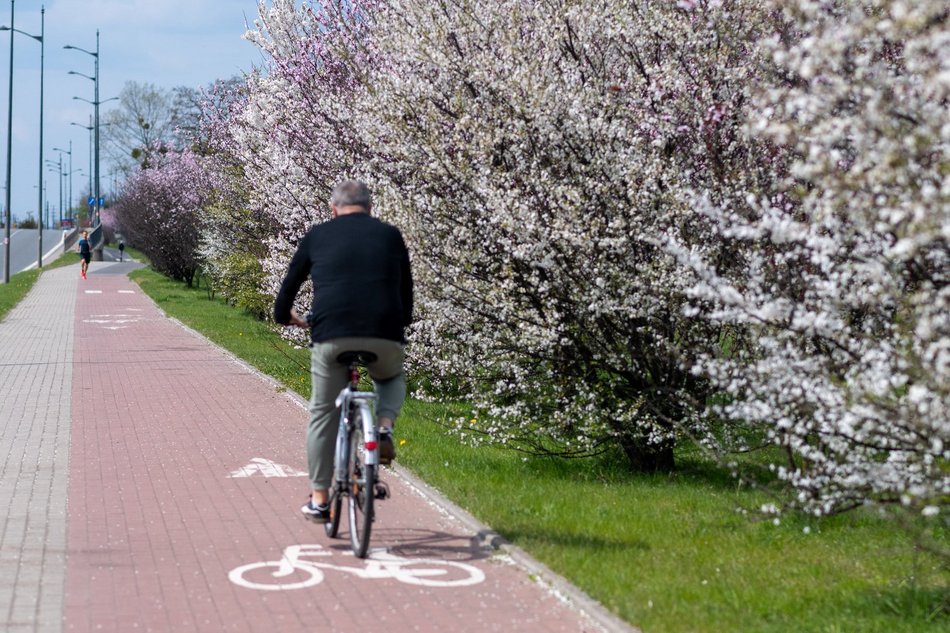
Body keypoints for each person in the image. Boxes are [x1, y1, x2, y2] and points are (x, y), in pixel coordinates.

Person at [274, 180, 413, 523]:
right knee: (392, 375)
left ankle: (320, 500)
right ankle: (382, 427)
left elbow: (289, 284)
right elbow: (405, 290)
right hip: (384, 332)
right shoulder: (391, 235)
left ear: (333, 209)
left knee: (323, 412)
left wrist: (285, 317)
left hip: (331, 334)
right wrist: (399, 323)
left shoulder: (318, 235)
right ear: (371, 207)